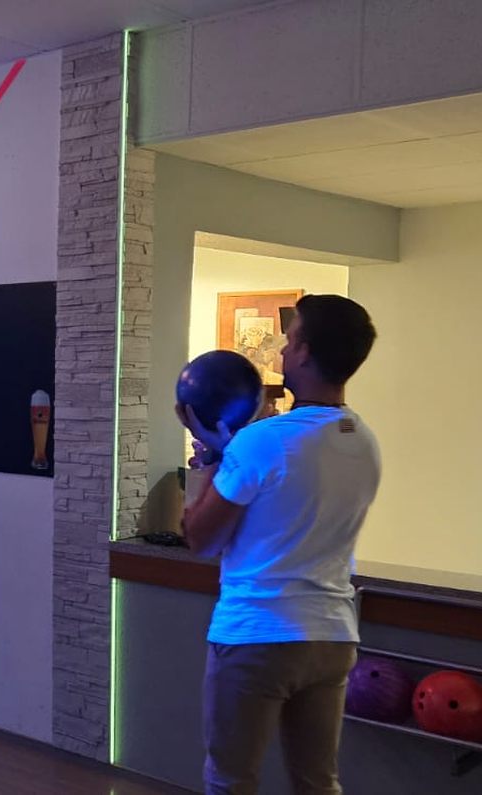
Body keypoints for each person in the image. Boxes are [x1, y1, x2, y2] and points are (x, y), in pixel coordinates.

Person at [179, 294, 380, 795]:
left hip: (258, 635)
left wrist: (213, 460)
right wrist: (231, 453)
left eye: (290, 340)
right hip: (332, 637)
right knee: (318, 783)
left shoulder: (261, 441)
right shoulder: (364, 441)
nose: (283, 351)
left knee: (230, 781)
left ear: (306, 352)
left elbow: (200, 538)